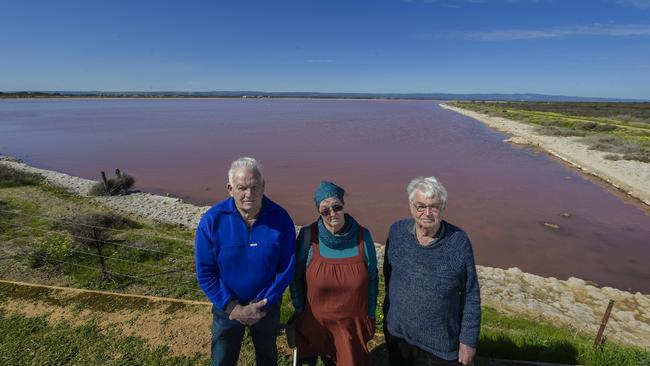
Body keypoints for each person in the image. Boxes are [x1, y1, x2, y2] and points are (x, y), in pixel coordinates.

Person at [195, 157, 296, 366]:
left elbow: (286, 268)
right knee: (222, 358)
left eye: (254, 187)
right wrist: (234, 309)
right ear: (230, 188)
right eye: (241, 188)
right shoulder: (211, 221)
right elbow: (206, 273)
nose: (248, 194)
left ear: (263, 186)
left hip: (266, 308)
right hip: (227, 309)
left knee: (267, 357)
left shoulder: (281, 218)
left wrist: (263, 302)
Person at [383, 176, 481, 366]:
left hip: (441, 346)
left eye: (434, 206)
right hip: (398, 335)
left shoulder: (458, 242)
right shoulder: (397, 232)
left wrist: (468, 340)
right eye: (420, 206)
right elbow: (389, 275)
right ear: (411, 206)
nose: (427, 213)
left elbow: (471, 294)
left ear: (443, 207)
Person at [290, 181, 378, 366]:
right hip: (314, 326)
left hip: (351, 329)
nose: (332, 214)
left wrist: (370, 314)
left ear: (343, 205)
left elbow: (372, 278)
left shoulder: (363, 236)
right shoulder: (308, 236)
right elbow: (296, 277)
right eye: (325, 210)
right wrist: (299, 309)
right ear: (319, 213)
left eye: (336, 207)